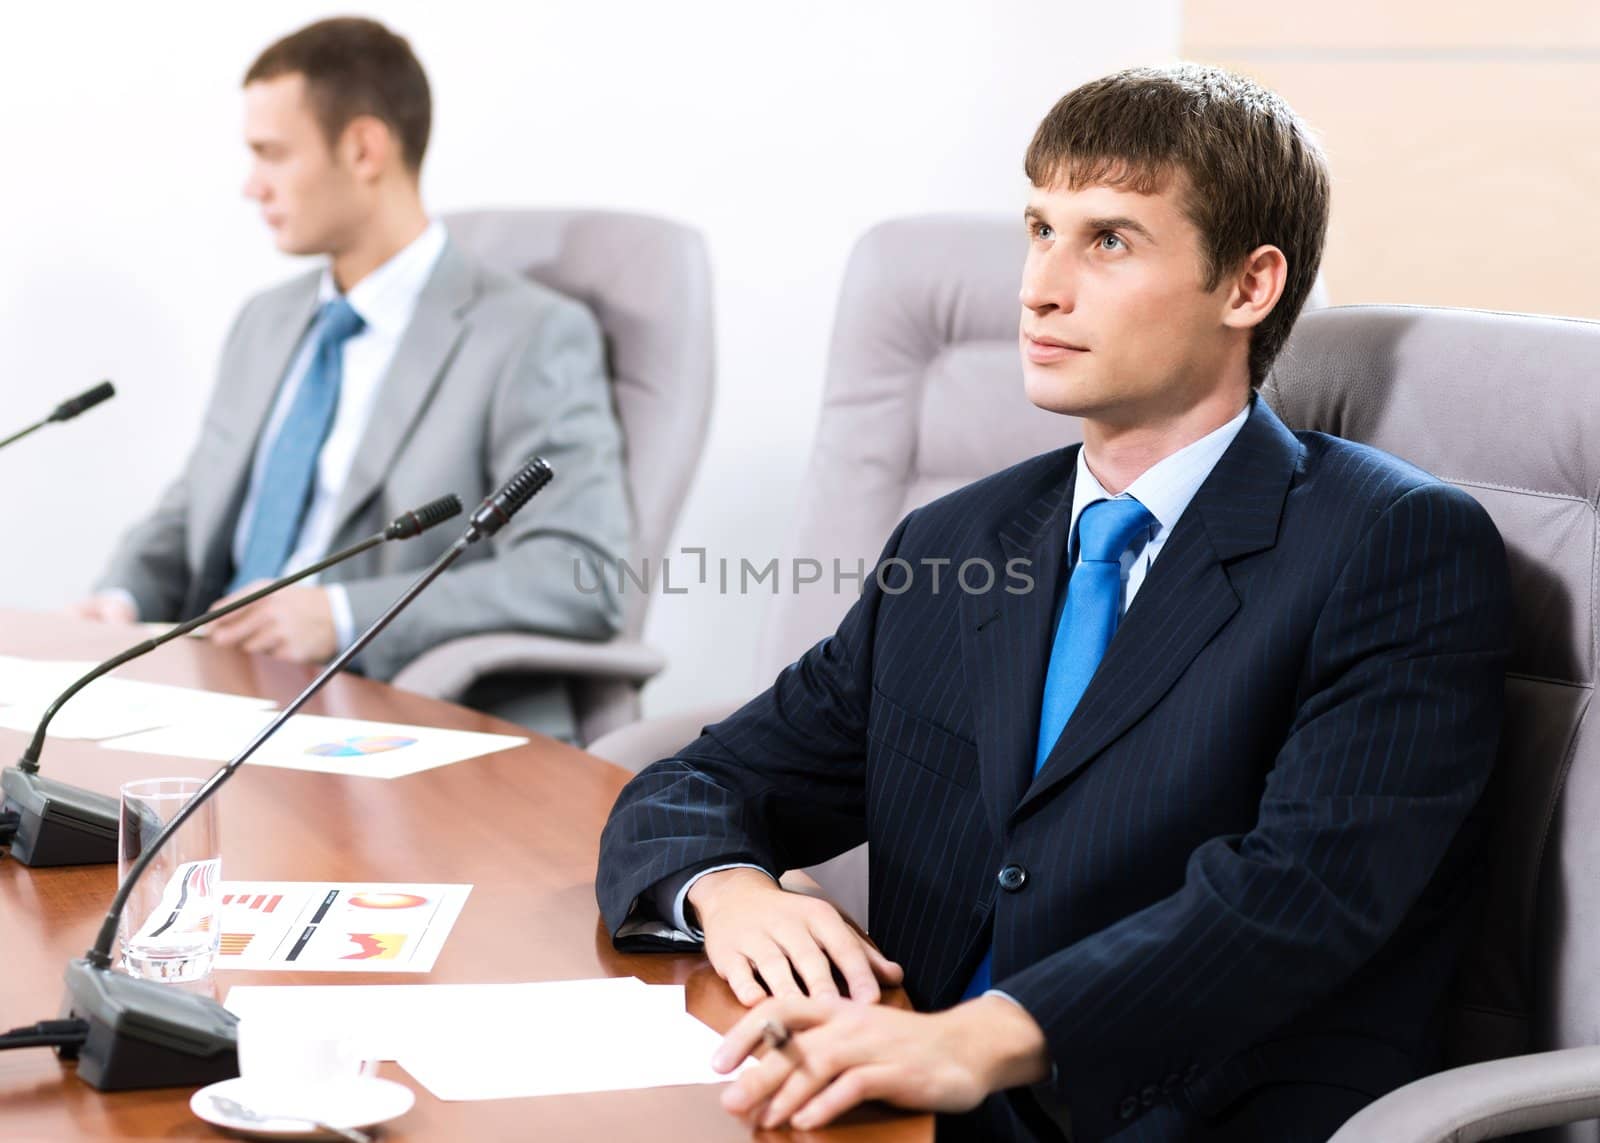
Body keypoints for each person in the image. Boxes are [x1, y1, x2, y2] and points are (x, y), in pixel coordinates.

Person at [597, 64, 1511, 1140]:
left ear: (1247, 287)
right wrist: (730, 889)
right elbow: (704, 777)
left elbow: (1299, 897)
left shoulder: (1392, 544)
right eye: (1038, 229)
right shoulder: (954, 542)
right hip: (902, 1098)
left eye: (1108, 240)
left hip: (1172, 1112)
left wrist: (970, 1040)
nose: (1038, 287)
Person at [72, 18, 629, 738]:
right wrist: (120, 596)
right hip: (207, 691)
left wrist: (338, 613)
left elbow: (577, 573)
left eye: (271, 154)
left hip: (376, 712)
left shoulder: (528, 334)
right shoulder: (265, 321)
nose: (251, 185)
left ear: (364, 148)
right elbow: (193, 512)